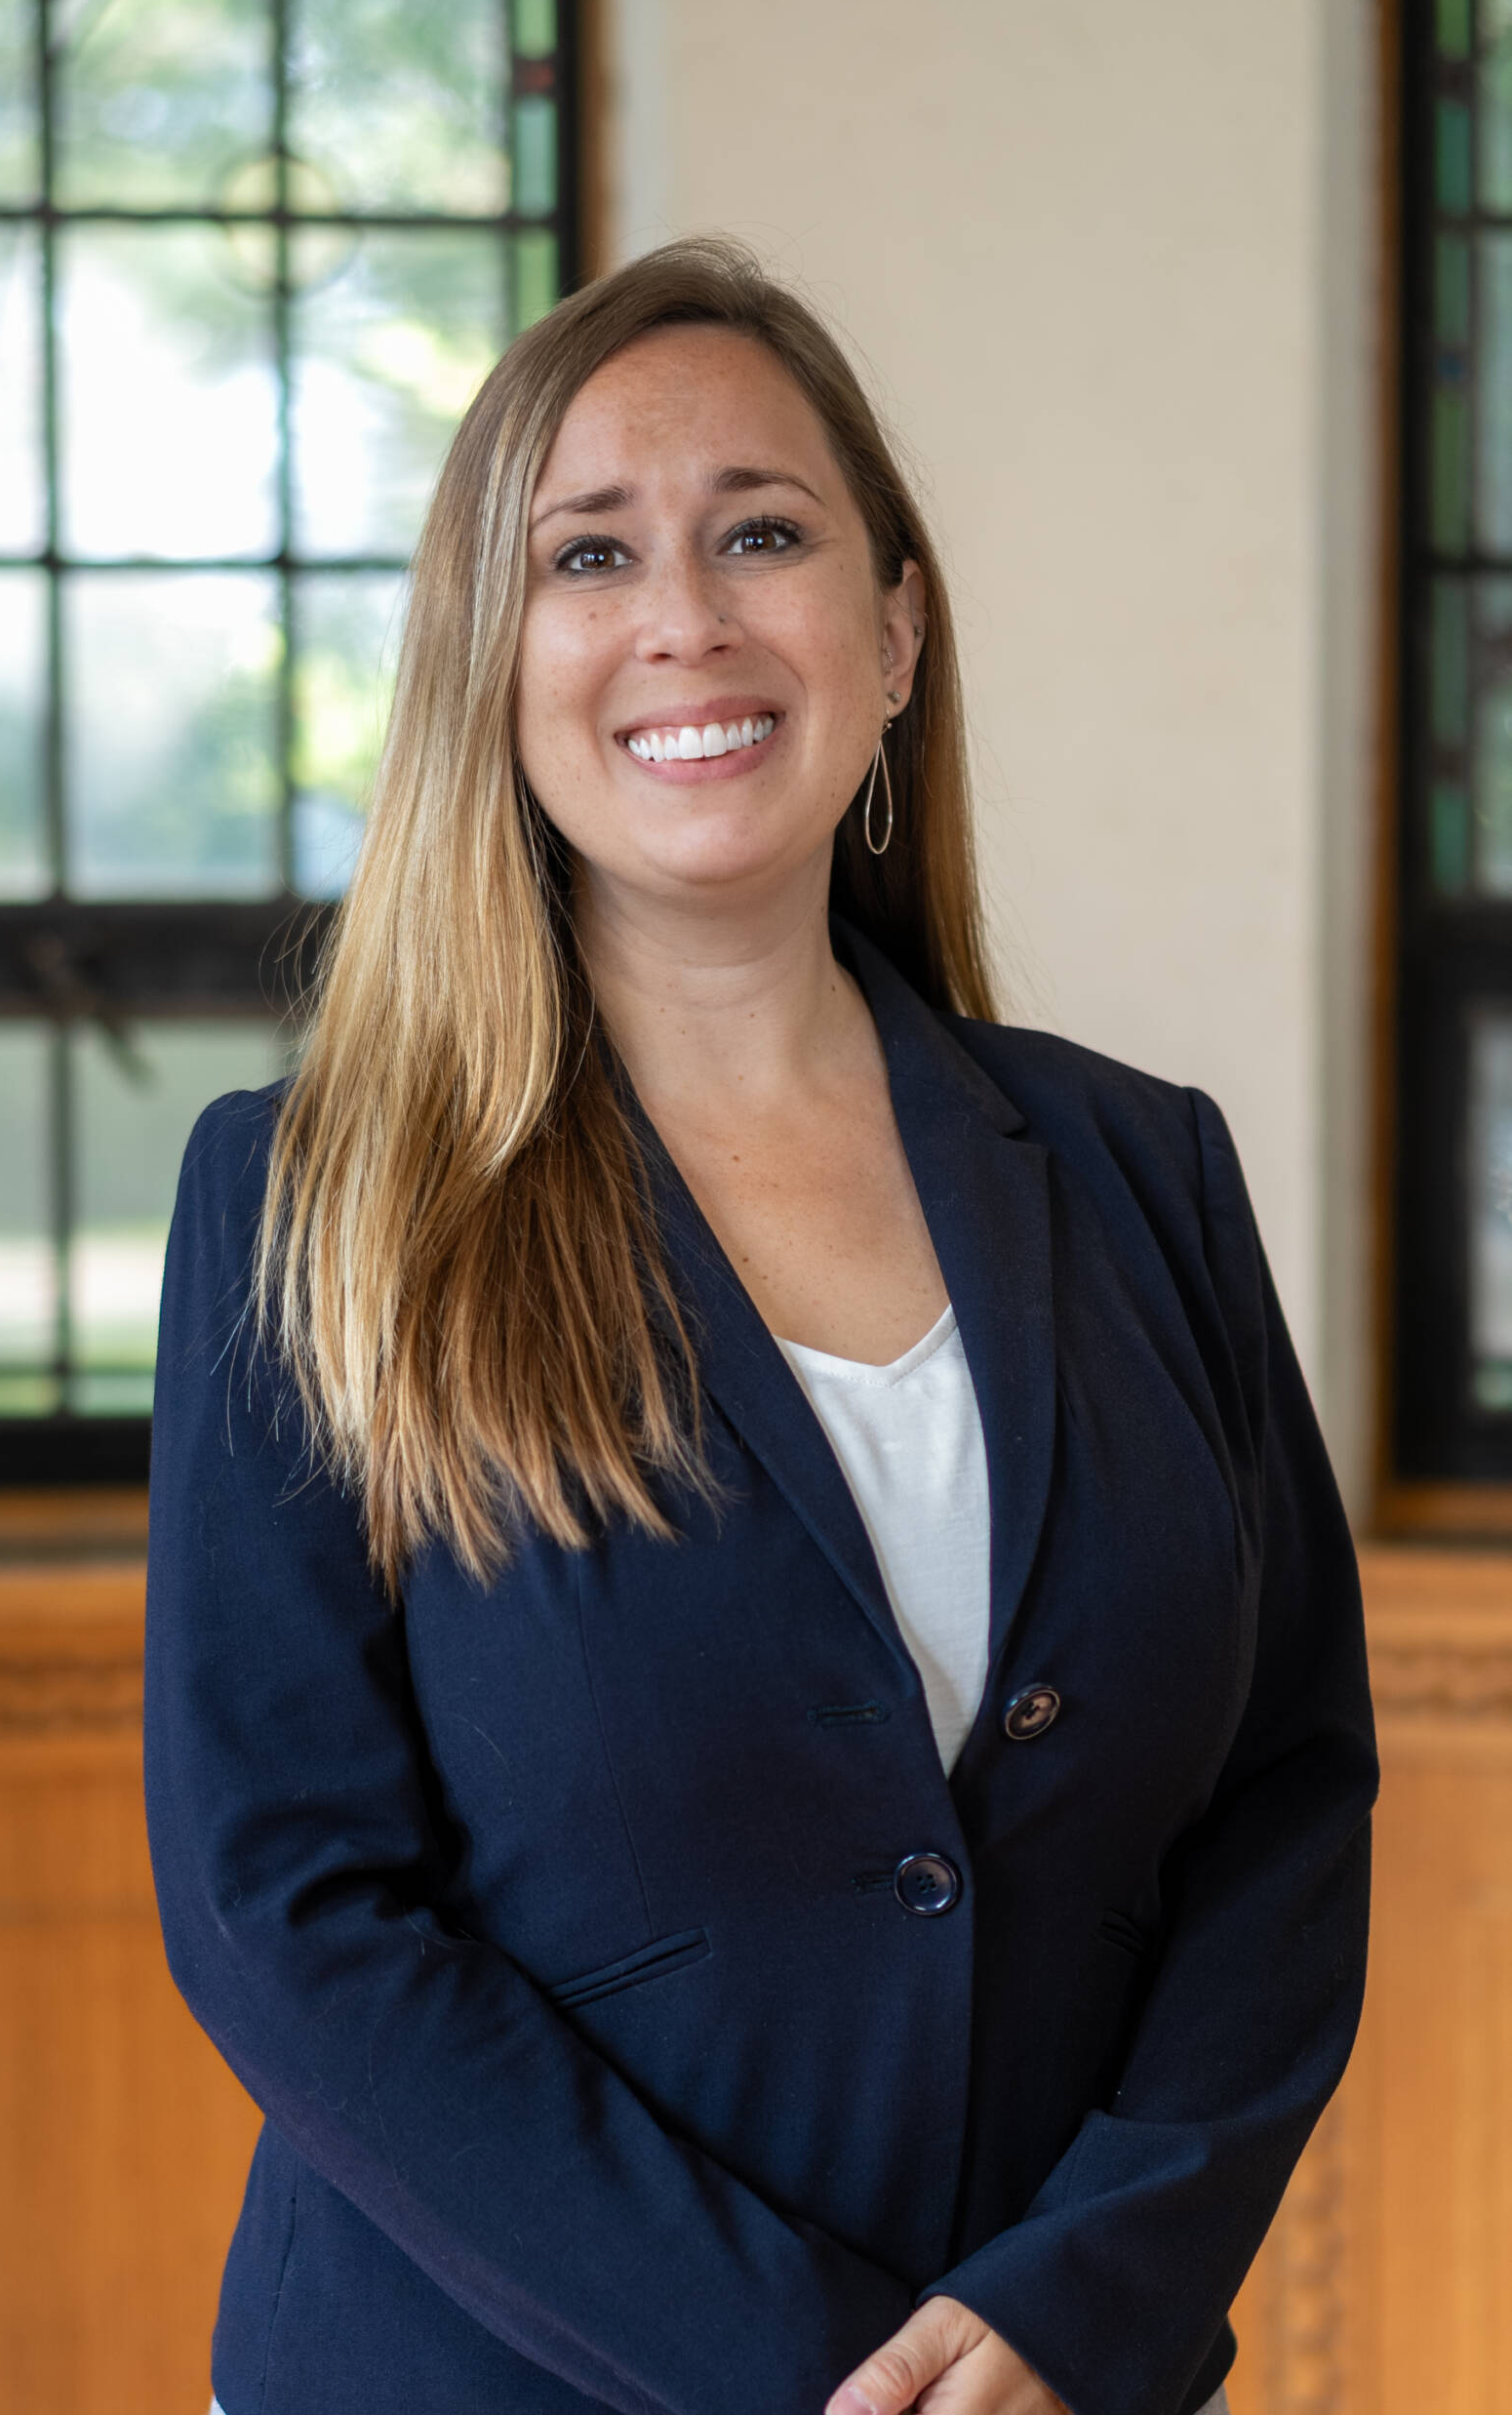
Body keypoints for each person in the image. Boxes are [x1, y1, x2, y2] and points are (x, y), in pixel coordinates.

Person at [144, 238, 1378, 2415]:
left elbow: (1282, 1802)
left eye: (763, 534)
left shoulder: (1144, 1172)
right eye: (588, 553)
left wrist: (1078, 2303)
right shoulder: (309, 1200)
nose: (684, 618)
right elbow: (285, 1905)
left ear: (890, 629)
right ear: (486, 659)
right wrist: (812, 2373)